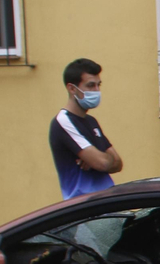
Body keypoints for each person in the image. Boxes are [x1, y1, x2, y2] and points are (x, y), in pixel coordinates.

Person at [49, 57, 123, 200]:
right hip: (84, 207)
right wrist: (99, 159)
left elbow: (118, 163)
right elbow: (102, 163)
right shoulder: (63, 121)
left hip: (106, 202)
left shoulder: (91, 121)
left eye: (98, 85)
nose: (96, 91)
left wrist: (96, 158)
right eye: (90, 86)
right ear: (72, 88)